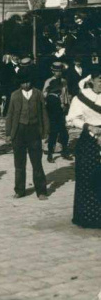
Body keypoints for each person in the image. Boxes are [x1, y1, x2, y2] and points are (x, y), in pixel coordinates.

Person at [5, 70, 49, 200]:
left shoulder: (38, 94)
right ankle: (19, 190)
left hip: (34, 131)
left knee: (37, 162)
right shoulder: (14, 95)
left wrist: (46, 131)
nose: (26, 84)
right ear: (19, 83)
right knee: (19, 163)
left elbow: (44, 113)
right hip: (19, 131)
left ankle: (41, 191)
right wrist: (8, 133)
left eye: (28, 82)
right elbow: (10, 115)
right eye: (23, 82)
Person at [65, 71, 101, 228]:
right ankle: (88, 217)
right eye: (100, 80)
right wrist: (89, 126)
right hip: (89, 142)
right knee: (88, 178)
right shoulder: (81, 97)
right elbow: (72, 119)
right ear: (92, 80)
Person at [43, 62, 71, 162]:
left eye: (60, 71)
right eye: (56, 71)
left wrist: (66, 105)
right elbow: (44, 95)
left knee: (64, 131)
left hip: (61, 109)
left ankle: (65, 151)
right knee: (53, 131)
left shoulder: (64, 81)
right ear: (53, 71)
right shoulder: (49, 81)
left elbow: (66, 94)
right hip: (52, 109)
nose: (58, 73)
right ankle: (50, 153)